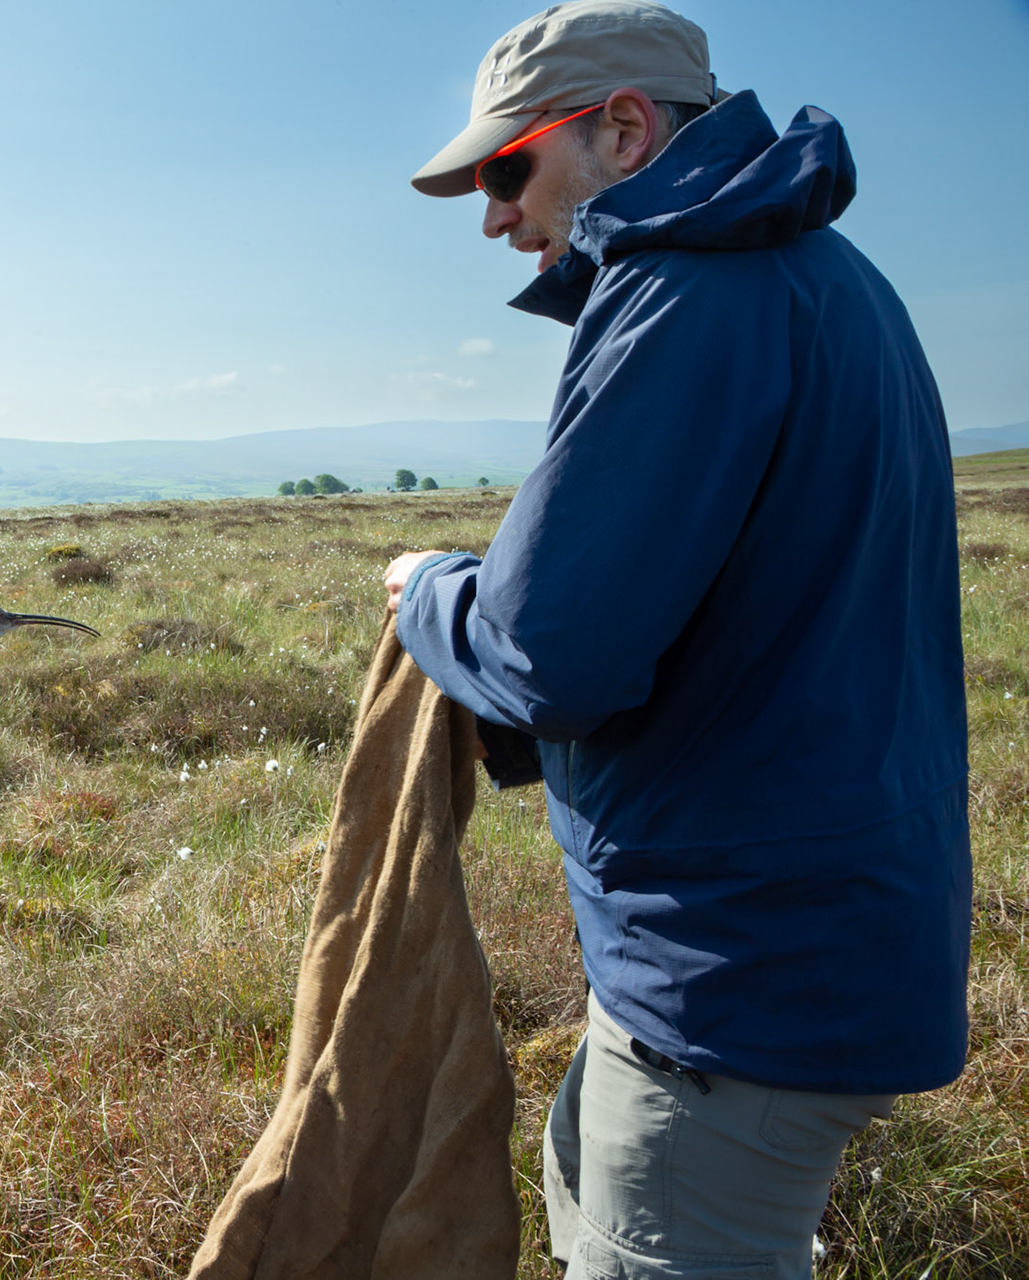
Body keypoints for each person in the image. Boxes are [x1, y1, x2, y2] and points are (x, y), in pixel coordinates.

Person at [382, 4, 969, 1276]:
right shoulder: (826, 276)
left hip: (736, 972)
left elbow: (554, 654)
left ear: (627, 129)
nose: (494, 217)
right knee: (583, 1185)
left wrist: (427, 586)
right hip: (784, 941)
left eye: (504, 169)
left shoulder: (685, 289)